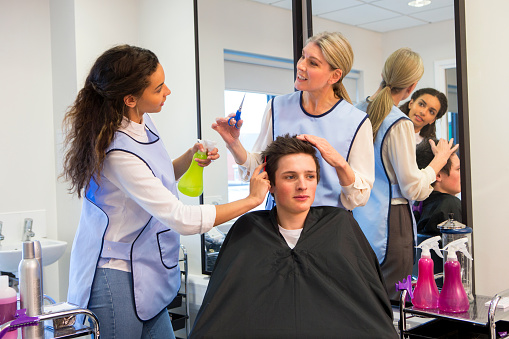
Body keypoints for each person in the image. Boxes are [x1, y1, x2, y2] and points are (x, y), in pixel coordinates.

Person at [61, 45, 270, 339]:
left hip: (146, 270)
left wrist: (190, 157)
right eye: (159, 88)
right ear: (130, 98)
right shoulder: (117, 152)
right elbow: (181, 219)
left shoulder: (143, 122)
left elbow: (154, 181)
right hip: (115, 274)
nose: (168, 91)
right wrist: (252, 200)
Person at [190, 135, 398, 339]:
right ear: (268, 183)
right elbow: (222, 314)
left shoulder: (340, 226)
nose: (302, 186)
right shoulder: (249, 229)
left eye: (310, 176)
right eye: (290, 177)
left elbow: (370, 309)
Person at [213, 31, 374, 211]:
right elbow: (259, 168)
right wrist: (234, 143)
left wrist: (339, 163)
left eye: (313, 63)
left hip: (329, 224)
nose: (301, 66)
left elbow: (360, 197)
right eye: (302, 57)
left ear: (334, 76)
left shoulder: (356, 122)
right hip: (279, 220)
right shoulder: (276, 107)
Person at [352, 48, 458, 301]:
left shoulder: (354, 110)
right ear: (411, 89)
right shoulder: (399, 124)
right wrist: (439, 161)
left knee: (362, 298)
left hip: (355, 219)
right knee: (390, 302)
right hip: (390, 223)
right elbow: (412, 188)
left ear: (383, 73)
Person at [415, 138, 462, 236]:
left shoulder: (418, 202)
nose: (462, 174)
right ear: (438, 175)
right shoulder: (450, 204)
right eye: (458, 169)